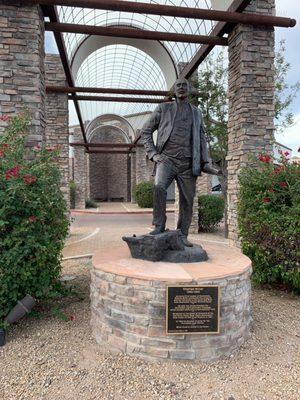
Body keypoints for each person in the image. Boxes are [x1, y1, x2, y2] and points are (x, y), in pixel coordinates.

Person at [141, 77, 220, 247]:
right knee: (159, 187)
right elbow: (145, 131)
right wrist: (153, 154)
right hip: (166, 159)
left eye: (184, 85)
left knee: (188, 199)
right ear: (174, 90)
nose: (181, 88)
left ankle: (182, 234)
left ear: (189, 89)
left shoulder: (196, 112)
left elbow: (201, 138)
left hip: (188, 163)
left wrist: (205, 161)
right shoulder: (164, 108)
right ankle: (159, 225)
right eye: (178, 85)